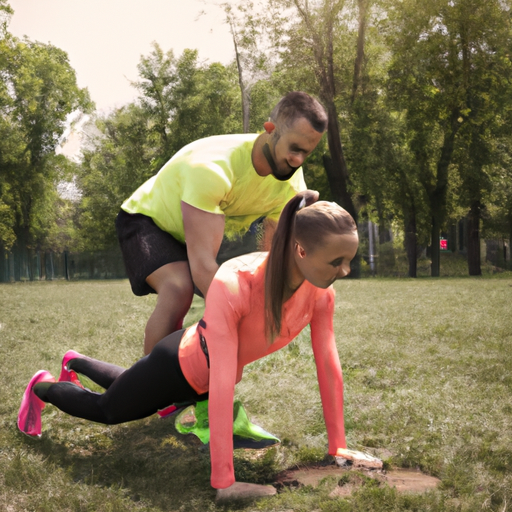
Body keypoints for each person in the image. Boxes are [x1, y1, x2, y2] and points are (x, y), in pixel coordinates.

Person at [18, 190, 360, 502]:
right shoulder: (236, 281)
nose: (345, 271)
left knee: (133, 385)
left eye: (349, 260)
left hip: (200, 380)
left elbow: (328, 365)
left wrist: (339, 447)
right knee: (109, 409)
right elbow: (222, 382)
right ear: (301, 250)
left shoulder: (320, 294)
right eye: (336, 261)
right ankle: (42, 386)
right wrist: (225, 483)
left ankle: (75, 361)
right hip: (177, 366)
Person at [116, 91, 328, 355]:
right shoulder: (213, 169)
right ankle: (150, 391)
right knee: (179, 287)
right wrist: (243, 315)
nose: (298, 161)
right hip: (145, 220)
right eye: (294, 149)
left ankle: (177, 382)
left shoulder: (291, 184)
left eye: (306, 153)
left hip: (189, 232)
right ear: (271, 130)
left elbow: (272, 257)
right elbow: (204, 268)